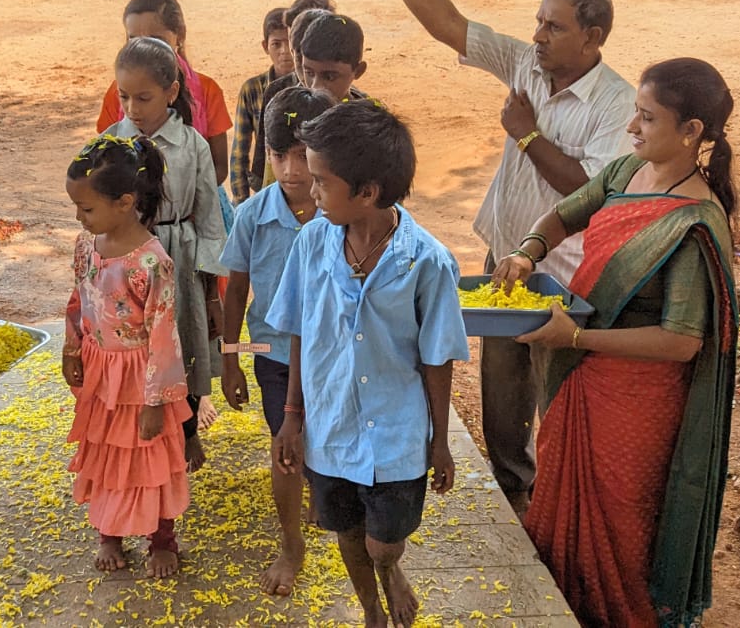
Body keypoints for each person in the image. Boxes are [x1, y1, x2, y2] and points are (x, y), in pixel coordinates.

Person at [339, 0, 633, 516]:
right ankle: (513, 491)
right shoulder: (526, 64)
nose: (538, 36)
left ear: (593, 38)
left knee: (558, 390)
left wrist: (527, 136)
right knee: (503, 388)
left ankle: (560, 503)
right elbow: (448, 23)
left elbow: (590, 190)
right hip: (507, 259)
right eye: (538, 22)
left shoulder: (616, 104)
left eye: (554, 27)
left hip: (567, 275)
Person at [492, 58, 739, 628]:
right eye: (635, 112)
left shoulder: (693, 222)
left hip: (636, 400)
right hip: (583, 376)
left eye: (647, 118)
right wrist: (527, 252)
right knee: (562, 494)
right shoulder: (628, 170)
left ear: (691, 131)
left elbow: (681, 341)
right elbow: (562, 215)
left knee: (619, 522)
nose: (632, 126)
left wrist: (577, 336)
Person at [268, 101, 469, 628]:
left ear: (368, 192)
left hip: (397, 434)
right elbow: (298, 328)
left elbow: (438, 357)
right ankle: (372, 610)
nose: (311, 191)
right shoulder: (311, 243)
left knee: (384, 541)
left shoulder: (427, 262)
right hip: (331, 423)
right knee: (347, 531)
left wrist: (440, 440)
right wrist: (292, 415)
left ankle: (389, 567)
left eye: (321, 181)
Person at [218, 86, 338, 597]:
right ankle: (292, 546)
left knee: (323, 441)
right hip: (271, 354)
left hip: (333, 354)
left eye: (302, 156)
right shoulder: (252, 216)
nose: (291, 170)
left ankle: (322, 498)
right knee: (284, 445)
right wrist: (231, 359)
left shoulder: (342, 216)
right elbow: (236, 291)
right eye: (279, 155)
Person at [65, 134, 192, 579]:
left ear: (124, 203)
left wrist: (156, 401)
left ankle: (162, 540)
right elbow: (79, 299)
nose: (79, 218)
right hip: (101, 373)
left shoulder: (151, 263)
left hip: (142, 379)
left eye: (86, 209)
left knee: (149, 458)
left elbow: (164, 336)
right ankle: (109, 532)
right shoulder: (86, 245)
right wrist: (71, 347)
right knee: (105, 453)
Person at [105, 37, 227, 471]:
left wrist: (211, 294)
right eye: (124, 97)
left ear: (171, 92)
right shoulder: (109, 143)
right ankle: (136, 433)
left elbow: (210, 220)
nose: (132, 108)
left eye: (143, 98)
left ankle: (187, 431)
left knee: (183, 345)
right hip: (124, 267)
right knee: (134, 350)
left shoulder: (192, 145)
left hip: (179, 262)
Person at [96, 0, 232, 187]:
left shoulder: (208, 91)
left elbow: (219, 167)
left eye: (156, 39)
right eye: (133, 39)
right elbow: (104, 163)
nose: (145, 49)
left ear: (180, 35)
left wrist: (183, 197)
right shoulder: (116, 93)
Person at [258, 9, 371, 188]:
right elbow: (270, 177)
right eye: (308, 72)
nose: (316, 86)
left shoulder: (369, 123)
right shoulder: (283, 108)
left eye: (330, 76)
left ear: (358, 71)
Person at [229, 7, 294, 203]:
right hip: (266, 184)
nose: (285, 51)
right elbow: (239, 152)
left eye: (290, 42)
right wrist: (241, 202)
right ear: (266, 47)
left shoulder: (311, 87)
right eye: (276, 44)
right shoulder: (252, 90)